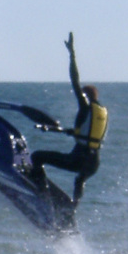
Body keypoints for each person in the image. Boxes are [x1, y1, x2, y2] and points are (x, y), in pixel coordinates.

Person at [29, 32, 108, 202]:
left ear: (85, 96)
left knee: (37, 157)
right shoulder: (100, 112)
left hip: (79, 159)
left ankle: (41, 193)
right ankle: (73, 207)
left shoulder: (85, 105)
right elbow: (82, 134)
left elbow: (75, 80)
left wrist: (72, 55)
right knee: (79, 180)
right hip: (93, 164)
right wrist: (51, 129)